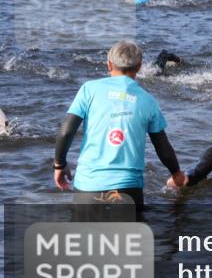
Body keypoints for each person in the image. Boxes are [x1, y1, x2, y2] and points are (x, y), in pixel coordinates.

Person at [53, 40, 187, 208]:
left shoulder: (89, 89)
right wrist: (176, 173)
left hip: (88, 186)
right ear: (139, 67)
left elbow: (66, 132)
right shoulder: (148, 100)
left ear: (109, 64)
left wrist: (59, 164)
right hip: (128, 190)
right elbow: (162, 147)